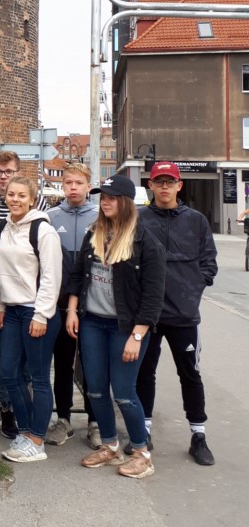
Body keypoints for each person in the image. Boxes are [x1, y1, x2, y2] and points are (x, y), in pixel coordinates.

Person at [66, 175, 165, 479]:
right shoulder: (94, 233)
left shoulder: (145, 241)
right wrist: (72, 311)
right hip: (92, 323)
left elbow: (153, 297)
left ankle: (142, 454)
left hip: (126, 327)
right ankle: (110, 446)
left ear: (125, 202)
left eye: (111, 198)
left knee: (123, 392)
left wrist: (137, 335)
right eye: (103, 197)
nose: (105, 202)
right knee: (95, 390)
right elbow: (77, 275)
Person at [135, 161, 218, 466]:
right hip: (148, 315)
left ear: (179, 186)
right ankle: (143, 430)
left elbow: (209, 263)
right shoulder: (140, 219)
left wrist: (191, 290)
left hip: (184, 315)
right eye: (159, 182)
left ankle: (198, 436)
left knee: (190, 374)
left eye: (170, 182)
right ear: (151, 185)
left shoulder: (196, 221)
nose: (165, 187)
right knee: (144, 372)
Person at [0, 173, 62, 463]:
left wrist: (42, 314)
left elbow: (51, 276)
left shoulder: (43, 231)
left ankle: (37, 439)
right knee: (8, 372)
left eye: (22, 195)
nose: (15, 199)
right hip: (11, 310)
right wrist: (0, 305)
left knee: (38, 376)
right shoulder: (4, 227)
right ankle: (25, 431)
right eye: (11, 194)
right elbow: (2, 272)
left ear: (32, 199)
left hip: (36, 311)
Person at [0, 152, 47, 440]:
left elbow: (48, 269)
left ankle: (30, 423)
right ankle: (11, 413)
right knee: (6, 362)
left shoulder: (38, 212)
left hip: (31, 300)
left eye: (9, 171)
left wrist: (42, 310)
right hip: (3, 295)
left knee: (31, 368)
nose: (3, 176)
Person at [46, 163, 99, 448]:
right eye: (69, 183)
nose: (74, 187)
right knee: (63, 363)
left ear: (88, 185)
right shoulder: (51, 217)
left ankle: (95, 421)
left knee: (91, 364)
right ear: (63, 186)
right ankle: (64, 419)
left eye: (79, 183)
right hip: (62, 301)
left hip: (94, 303)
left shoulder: (101, 215)